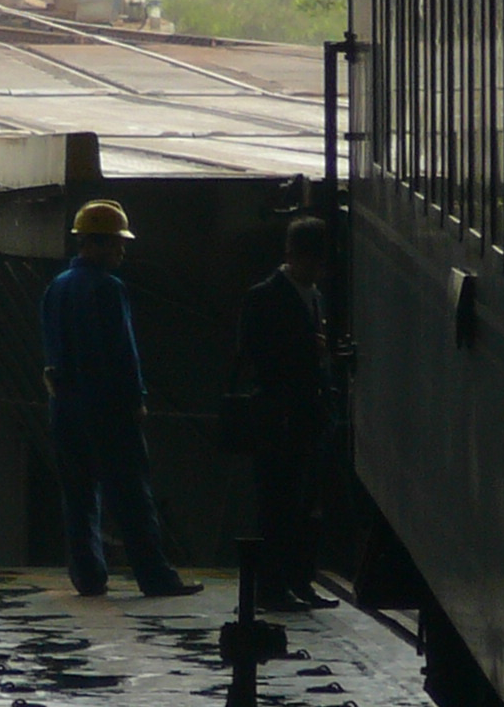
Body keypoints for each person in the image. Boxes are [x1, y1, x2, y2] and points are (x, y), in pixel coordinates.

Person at [40, 198, 203, 599]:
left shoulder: (56, 288)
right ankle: (155, 576)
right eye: (115, 243)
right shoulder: (108, 288)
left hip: (64, 406)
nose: (121, 251)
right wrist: (137, 400)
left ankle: (88, 576)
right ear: (95, 244)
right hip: (108, 409)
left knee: (79, 496)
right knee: (130, 494)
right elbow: (122, 352)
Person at [233, 215, 340, 611]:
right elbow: (254, 354)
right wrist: (303, 350)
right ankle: (272, 588)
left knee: (308, 505)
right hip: (278, 416)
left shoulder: (314, 295)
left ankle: (301, 580)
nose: (316, 271)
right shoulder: (263, 296)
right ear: (291, 255)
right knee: (277, 505)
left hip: (311, 414)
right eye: (310, 263)